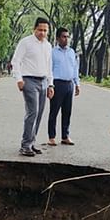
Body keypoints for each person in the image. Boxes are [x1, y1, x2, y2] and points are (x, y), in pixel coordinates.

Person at [11, 17, 54, 157]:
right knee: (32, 112)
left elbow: (49, 67)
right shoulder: (26, 42)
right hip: (29, 80)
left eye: (45, 30)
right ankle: (25, 145)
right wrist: (18, 79)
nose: (42, 32)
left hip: (43, 81)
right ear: (34, 29)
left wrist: (50, 84)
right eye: (40, 30)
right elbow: (15, 61)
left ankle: (32, 143)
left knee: (40, 113)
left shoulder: (48, 45)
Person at [47, 27, 80, 146]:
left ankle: (65, 136)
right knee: (54, 111)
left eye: (67, 37)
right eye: (63, 37)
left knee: (67, 111)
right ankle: (51, 137)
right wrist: (49, 85)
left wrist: (77, 84)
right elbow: (49, 69)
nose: (66, 39)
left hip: (69, 84)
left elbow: (75, 68)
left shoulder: (72, 52)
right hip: (57, 83)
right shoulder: (52, 52)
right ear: (57, 38)